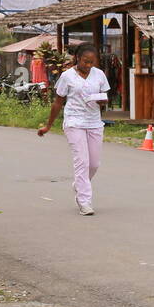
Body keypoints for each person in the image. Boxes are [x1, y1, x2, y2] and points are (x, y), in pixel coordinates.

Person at [37, 44, 110, 216]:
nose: (88, 65)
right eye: (85, 61)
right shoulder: (66, 76)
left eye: (92, 62)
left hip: (94, 122)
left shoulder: (99, 75)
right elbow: (58, 102)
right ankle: (84, 201)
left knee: (94, 164)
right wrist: (48, 126)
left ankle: (79, 184)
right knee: (82, 162)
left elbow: (106, 96)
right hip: (74, 122)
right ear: (77, 58)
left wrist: (102, 101)